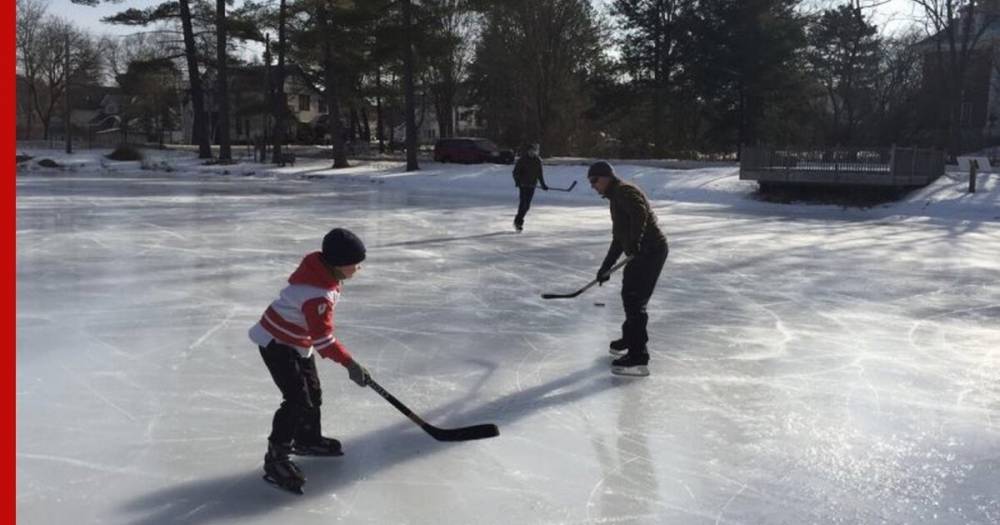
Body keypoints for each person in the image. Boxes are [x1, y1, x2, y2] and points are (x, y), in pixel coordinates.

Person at [248, 227, 372, 493]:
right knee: (295, 400)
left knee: (312, 392)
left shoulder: (323, 274)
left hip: (296, 340)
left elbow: (317, 335)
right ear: (338, 265)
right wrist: (351, 365)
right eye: (355, 264)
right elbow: (324, 340)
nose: (358, 269)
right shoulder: (317, 295)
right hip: (277, 343)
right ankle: (275, 459)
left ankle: (306, 439)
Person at [586, 161, 668, 377]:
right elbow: (618, 238)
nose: (593, 186)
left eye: (594, 180)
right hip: (641, 251)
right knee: (630, 295)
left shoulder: (624, 191)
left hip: (650, 251)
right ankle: (631, 337)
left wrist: (636, 241)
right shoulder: (615, 197)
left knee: (634, 300)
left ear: (605, 177)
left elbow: (639, 213)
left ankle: (639, 356)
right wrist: (606, 266)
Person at [512, 143, 548, 232]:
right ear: (528, 151)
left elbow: (540, 174)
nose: (532, 152)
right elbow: (515, 172)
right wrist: (518, 182)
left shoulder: (538, 160)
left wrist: (543, 184)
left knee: (527, 206)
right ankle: (518, 223)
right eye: (531, 150)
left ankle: (517, 219)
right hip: (523, 185)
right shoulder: (522, 160)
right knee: (523, 204)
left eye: (534, 151)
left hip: (532, 185)